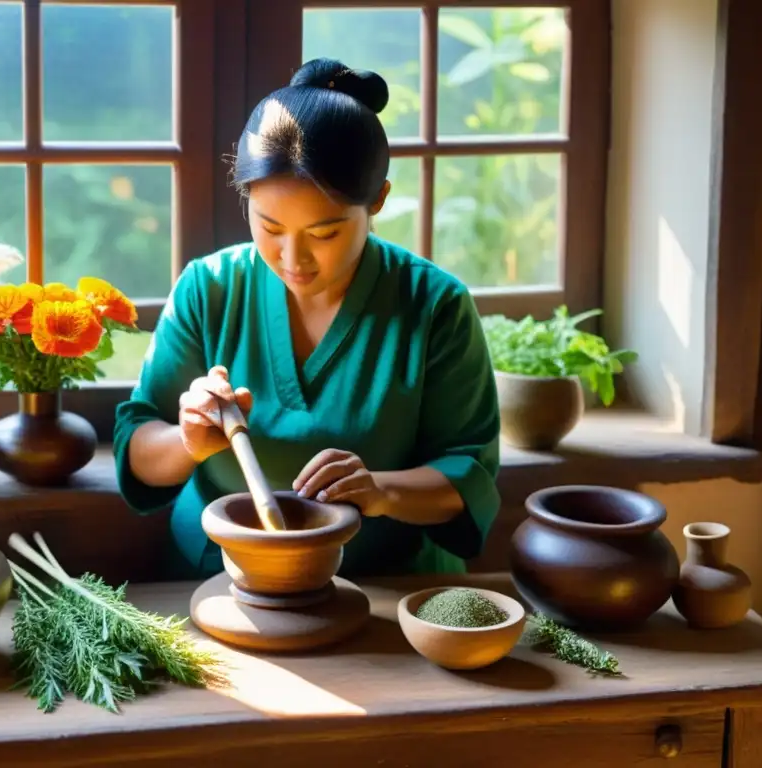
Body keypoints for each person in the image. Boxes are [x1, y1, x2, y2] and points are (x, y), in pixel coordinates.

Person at [113, 58, 501, 580]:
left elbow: (469, 474)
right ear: (245, 196)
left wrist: (380, 490)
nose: (294, 259)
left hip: (386, 584)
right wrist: (188, 441)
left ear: (378, 200)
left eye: (325, 234)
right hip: (220, 578)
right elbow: (138, 445)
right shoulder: (209, 288)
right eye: (270, 228)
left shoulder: (434, 305)